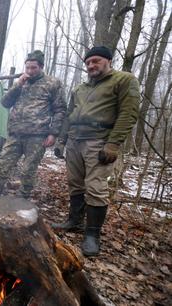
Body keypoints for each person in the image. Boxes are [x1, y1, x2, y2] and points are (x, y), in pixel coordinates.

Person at [52, 46, 140, 256]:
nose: (91, 65)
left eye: (96, 61)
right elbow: (69, 116)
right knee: (75, 183)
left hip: (99, 141)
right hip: (74, 141)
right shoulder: (80, 88)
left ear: (108, 61)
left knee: (95, 187)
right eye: (88, 62)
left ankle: (92, 235)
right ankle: (74, 221)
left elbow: (129, 113)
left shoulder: (123, 80)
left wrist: (113, 143)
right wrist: (61, 141)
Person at [0, 50, 66, 198]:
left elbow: (60, 110)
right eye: (28, 68)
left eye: (34, 68)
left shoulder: (52, 83)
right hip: (15, 133)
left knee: (28, 170)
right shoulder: (21, 82)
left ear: (41, 66)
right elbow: (5, 102)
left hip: (37, 135)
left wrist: (53, 133)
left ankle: (23, 197)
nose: (30, 71)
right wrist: (18, 84)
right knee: (2, 164)